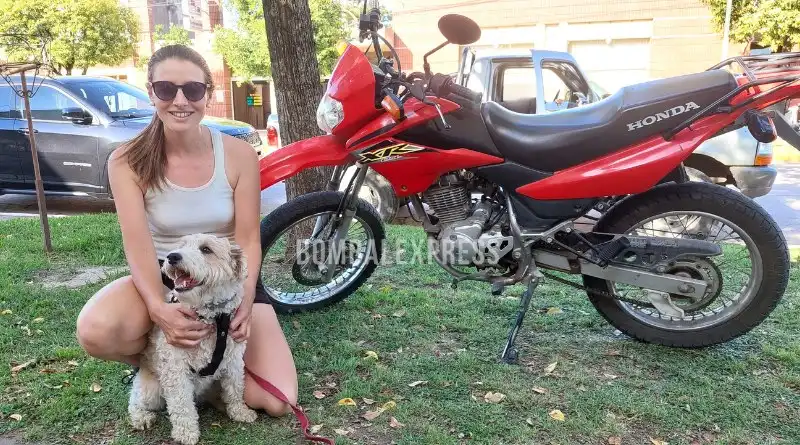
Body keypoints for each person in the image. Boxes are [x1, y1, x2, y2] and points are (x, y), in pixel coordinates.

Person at [75, 44, 297, 417]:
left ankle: (206, 381)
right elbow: (139, 247)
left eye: (192, 90)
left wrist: (244, 299)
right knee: (96, 330)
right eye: (166, 89)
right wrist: (160, 309)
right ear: (151, 93)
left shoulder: (239, 154)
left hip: (228, 281)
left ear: (207, 94)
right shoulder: (126, 161)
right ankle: (164, 365)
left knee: (277, 401)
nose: (180, 100)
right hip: (170, 279)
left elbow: (246, 239)